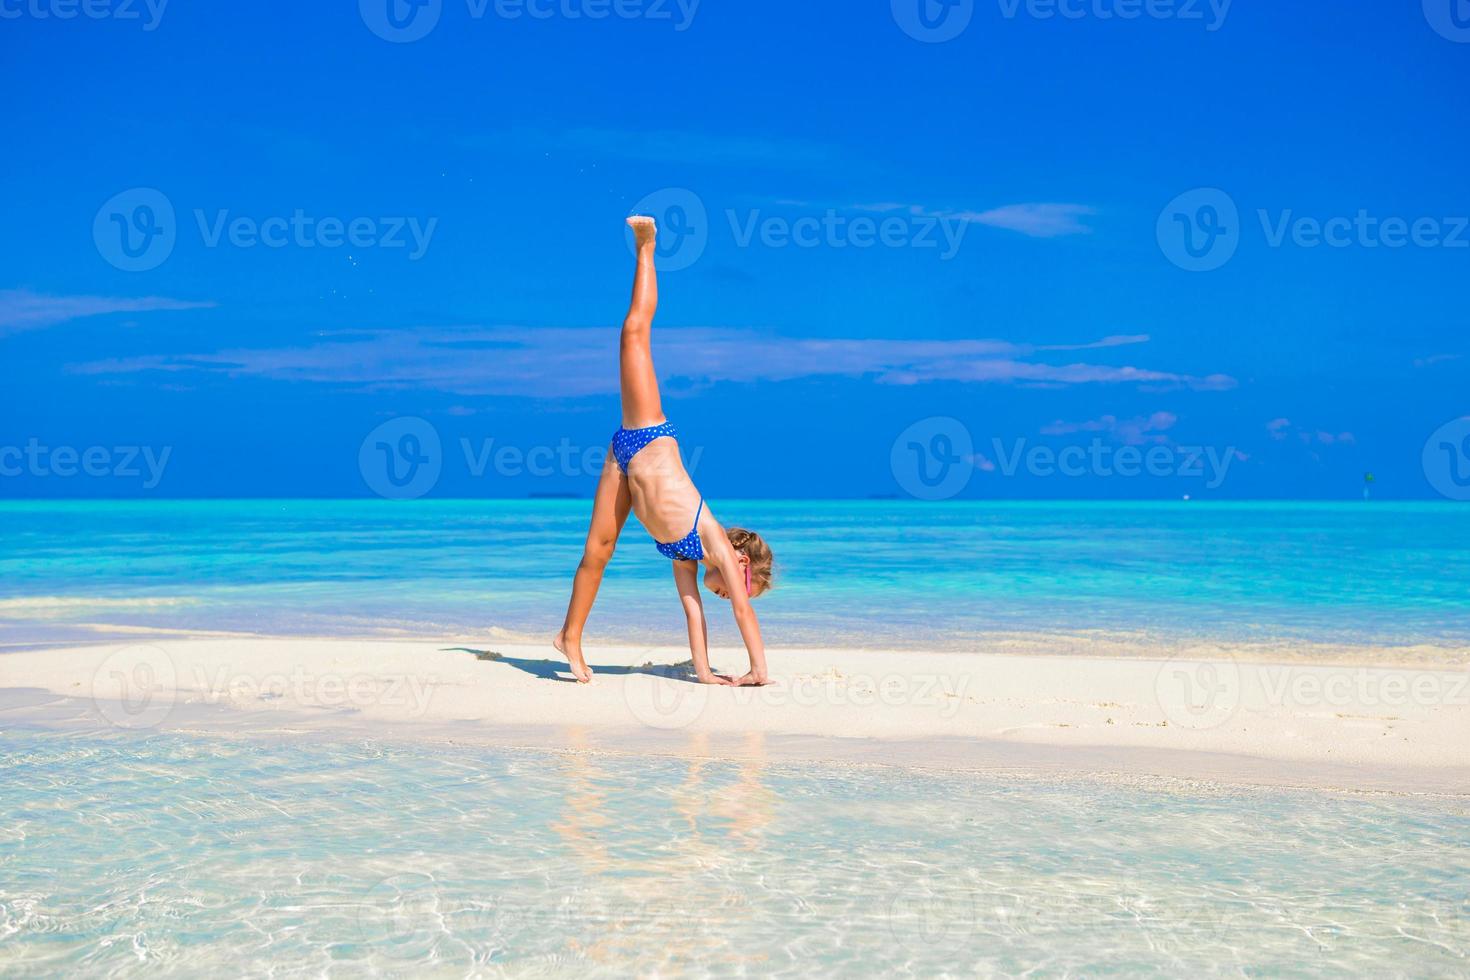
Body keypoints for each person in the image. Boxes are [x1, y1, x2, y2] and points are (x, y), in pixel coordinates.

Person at [552, 216, 773, 686]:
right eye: (748, 584)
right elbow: (739, 611)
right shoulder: (713, 538)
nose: (738, 592)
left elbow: (695, 618)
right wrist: (758, 669)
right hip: (648, 433)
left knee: (599, 551)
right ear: (741, 563)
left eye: (746, 590)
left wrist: (705, 675)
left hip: (623, 460)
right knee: (634, 332)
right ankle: (647, 246)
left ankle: (569, 635)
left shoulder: (685, 555)